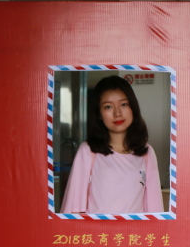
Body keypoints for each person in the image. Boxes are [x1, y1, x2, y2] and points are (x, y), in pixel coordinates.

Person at [61, 75, 164, 214]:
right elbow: (74, 207)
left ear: (133, 108)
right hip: (97, 228)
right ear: (99, 113)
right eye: (108, 107)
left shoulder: (146, 152)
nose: (117, 113)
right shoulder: (89, 150)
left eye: (124, 104)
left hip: (134, 228)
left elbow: (154, 207)